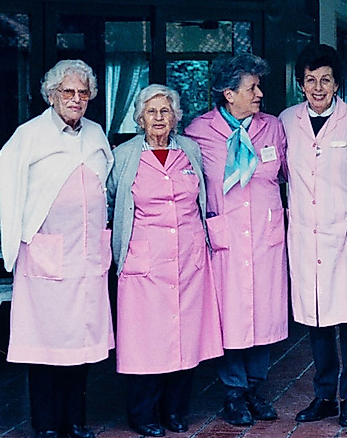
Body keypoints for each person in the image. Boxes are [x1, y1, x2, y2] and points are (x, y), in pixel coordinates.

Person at [0, 59, 113, 438]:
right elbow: (0, 193)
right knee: (44, 346)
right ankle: (45, 425)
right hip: (45, 255)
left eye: (83, 92)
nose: (76, 99)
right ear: (52, 94)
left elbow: (104, 182)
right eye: (68, 92)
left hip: (87, 257)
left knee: (82, 344)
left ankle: (74, 421)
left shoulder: (95, 133)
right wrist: (25, 230)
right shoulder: (29, 135)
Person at [108, 84, 224, 437]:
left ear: (176, 117)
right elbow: (112, 200)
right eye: (152, 112)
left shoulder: (189, 149)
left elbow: (203, 195)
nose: (159, 118)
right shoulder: (124, 155)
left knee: (185, 338)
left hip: (189, 258)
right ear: (140, 118)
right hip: (144, 262)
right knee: (145, 341)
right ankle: (143, 414)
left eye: (166, 111)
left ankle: (175, 410)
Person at [184, 53, 288, 427]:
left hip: (266, 235)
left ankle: (254, 389)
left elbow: (290, 176)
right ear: (229, 94)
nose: (259, 93)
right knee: (231, 317)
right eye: (252, 87)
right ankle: (233, 391)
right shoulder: (198, 132)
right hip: (225, 238)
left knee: (263, 315)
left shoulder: (273, 128)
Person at [279, 44, 347, 427]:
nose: (318, 87)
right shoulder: (285, 121)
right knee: (316, 321)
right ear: (301, 84)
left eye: (326, 80)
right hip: (306, 233)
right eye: (311, 80)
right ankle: (323, 396)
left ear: (338, 84)